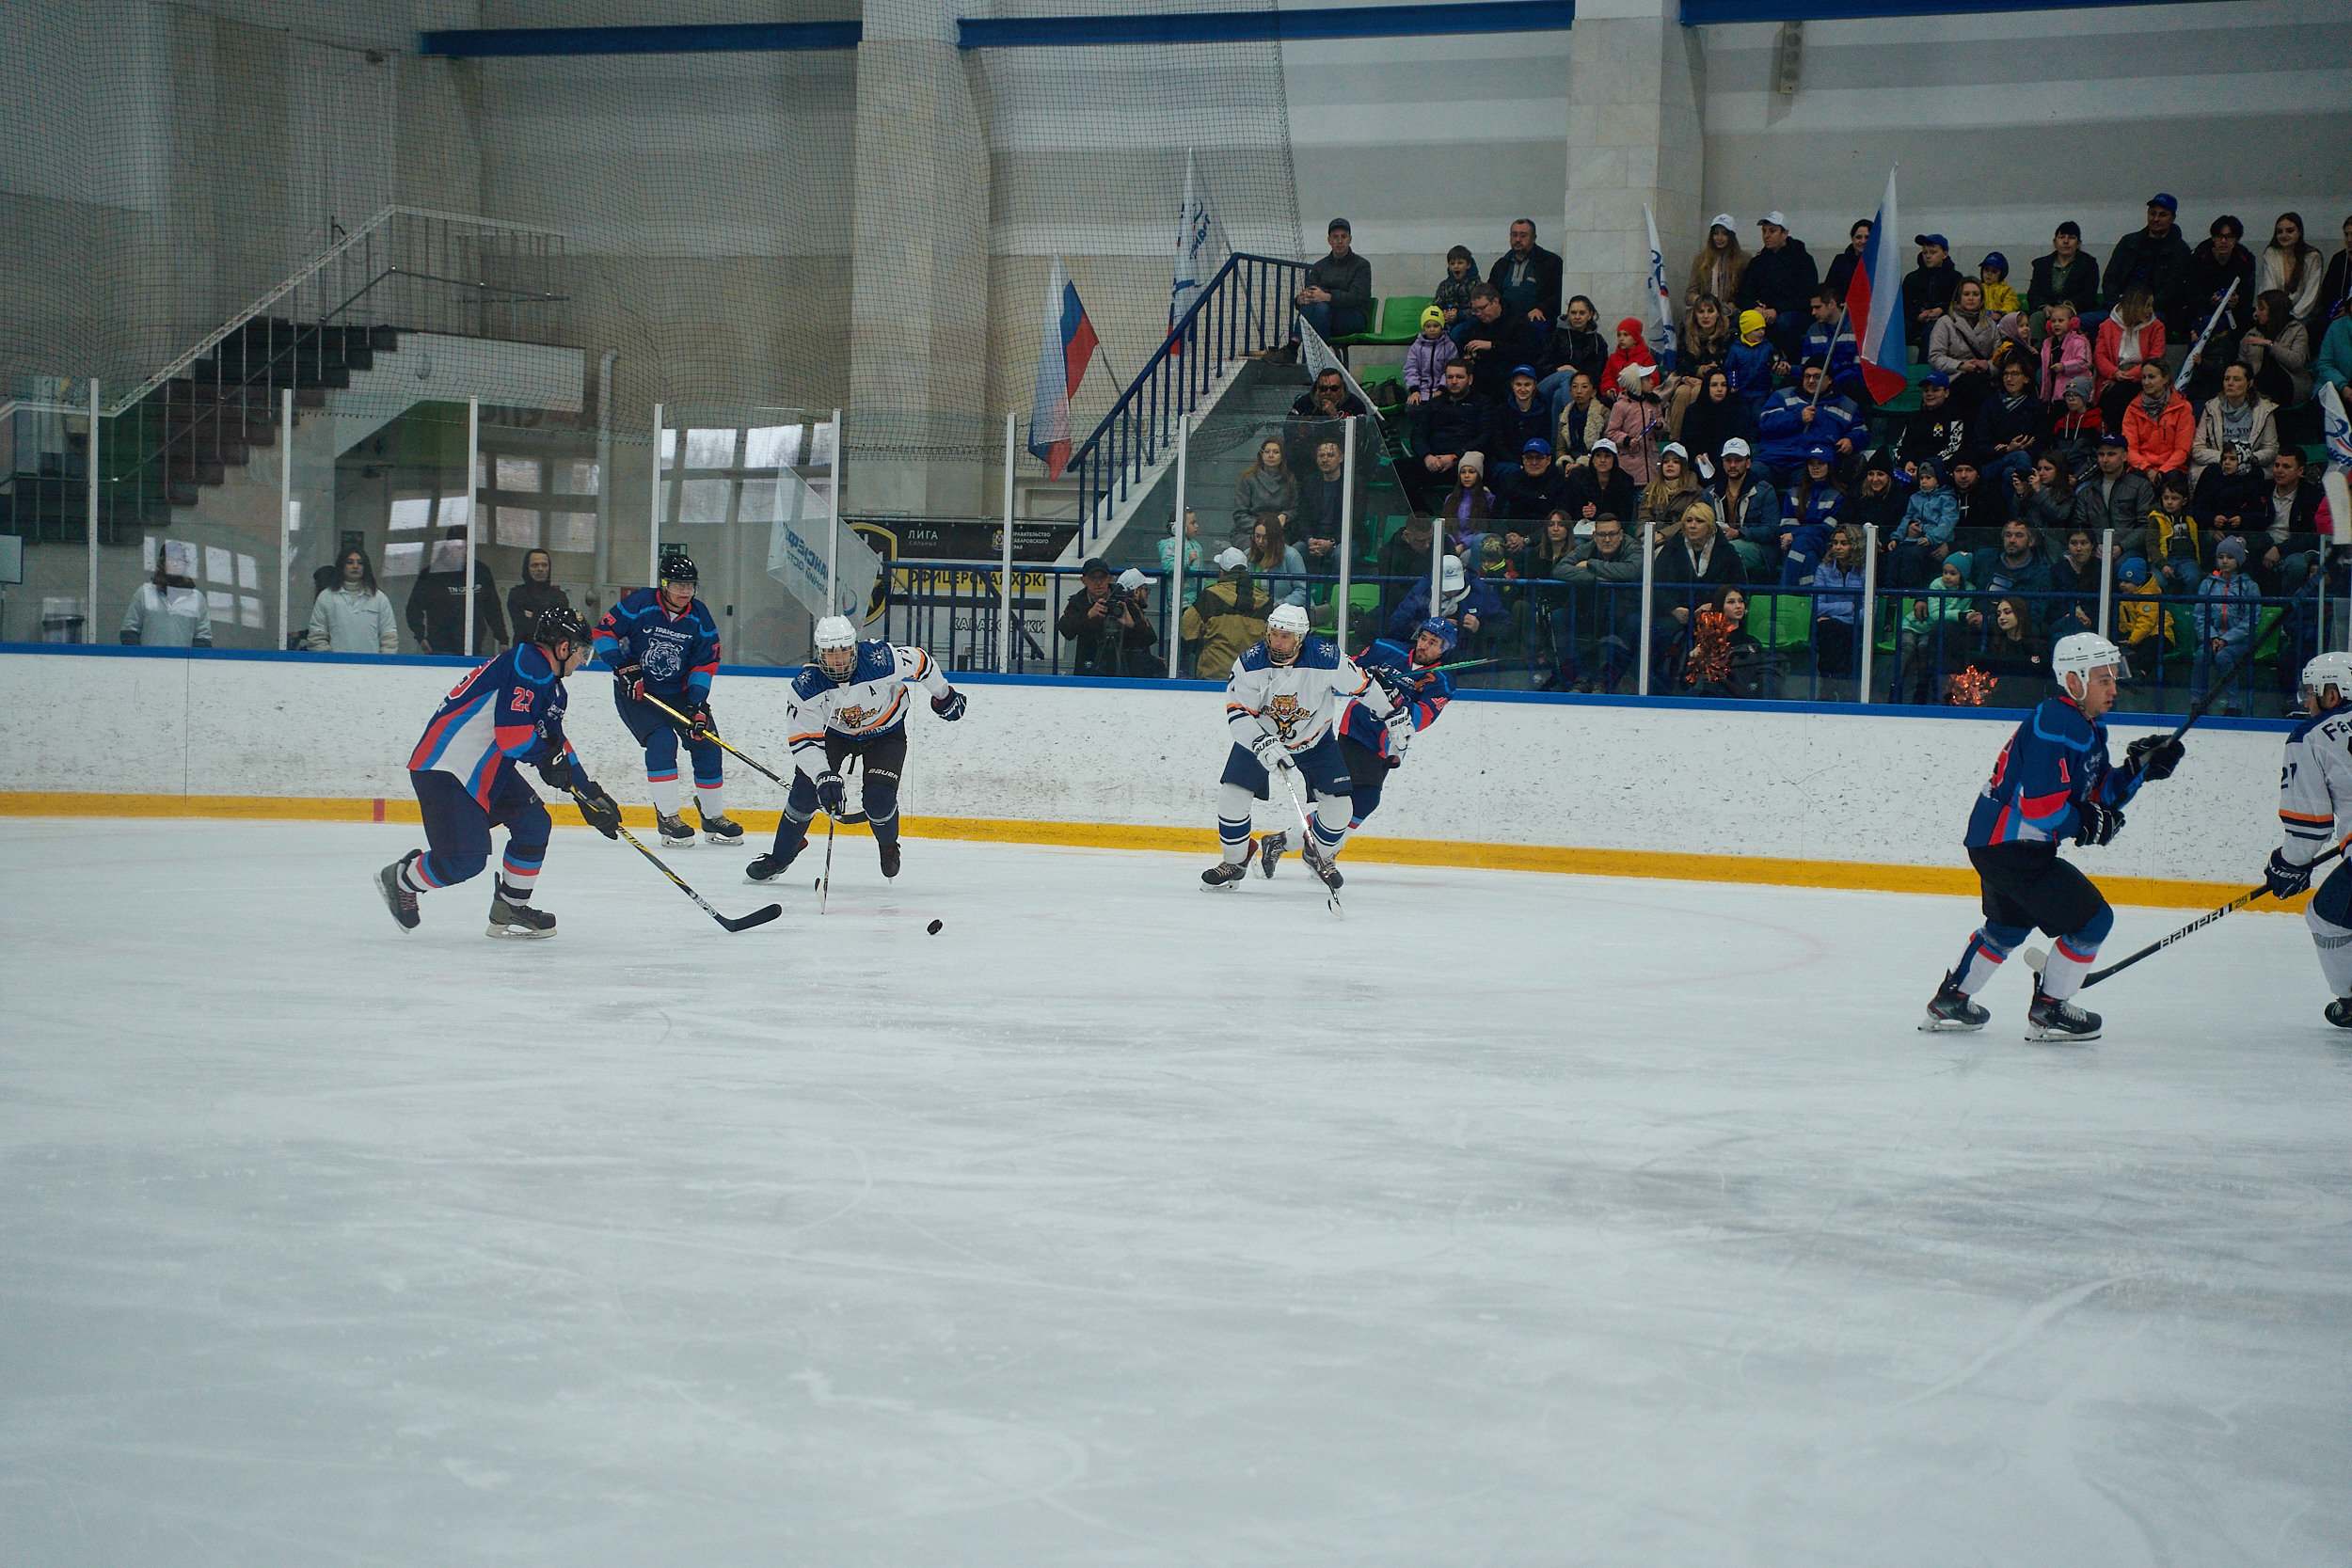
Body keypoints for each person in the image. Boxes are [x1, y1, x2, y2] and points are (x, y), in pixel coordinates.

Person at [1920, 632, 2182, 1039]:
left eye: (2115, 677)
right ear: (2074, 681)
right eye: (2104, 679)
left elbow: (2096, 797)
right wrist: (2086, 824)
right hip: (2013, 846)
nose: (2114, 687)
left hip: (1998, 844)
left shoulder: (2084, 726)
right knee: (2093, 922)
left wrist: (2140, 770)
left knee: (2007, 928)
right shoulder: (2059, 722)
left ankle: (1952, 998)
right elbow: (2042, 809)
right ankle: (2050, 1007)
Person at [376, 606, 621, 940]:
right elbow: (513, 736)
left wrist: (588, 792)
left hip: (486, 768)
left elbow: (555, 743)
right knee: (466, 860)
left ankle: (510, 906)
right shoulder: (528, 662)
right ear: (563, 647)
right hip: (446, 767)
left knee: (534, 822)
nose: (582, 660)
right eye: (581, 651)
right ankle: (402, 878)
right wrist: (548, 763)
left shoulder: (552, 688)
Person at [744, 614, 964, 885]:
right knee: (805, 792)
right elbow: (803, 741)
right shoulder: (806, 685)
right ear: (818, 653)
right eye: (829, 654)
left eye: (844, 652)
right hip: (836, 733)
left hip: (887, 731)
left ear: (855, 648)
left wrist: (944, 695)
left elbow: (922, 662)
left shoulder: (881, 660)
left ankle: (888, 845)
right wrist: (823, 774)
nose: (837, 660)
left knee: (879, 800)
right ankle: (781, 857)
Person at [1200, 602, 1393, 897]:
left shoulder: (1327, 659)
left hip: (1315, 741)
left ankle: (1317, 855)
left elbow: (1363, 687)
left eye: (1285, 636)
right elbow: (1237, 712)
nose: (1277, 641)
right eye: (1274, 633)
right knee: (1232, 798)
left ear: (1301, 637)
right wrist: (1260, 740)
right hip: (1261, 739)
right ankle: (1235, 862)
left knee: (1341, 809)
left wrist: (1390, 714)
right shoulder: (1251, 663)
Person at [1265, 618, 1455, 870]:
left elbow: (1421, 719)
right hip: (1358, 728)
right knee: (1363, 799)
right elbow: (1348, 670)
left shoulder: (1441, 681)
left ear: (1444, 649)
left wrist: (1396, 697)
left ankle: (1292, 842)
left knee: (1354, 803)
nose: (1424, 645)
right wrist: (1368, 678)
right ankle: (1319, 850)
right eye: (1423, 638)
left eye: (1433, 643)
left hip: (1387, 743)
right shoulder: (1386, 650)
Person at [593, 549, 739, 848]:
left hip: (680, 694)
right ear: (663, 584)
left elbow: (704, 663)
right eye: (677, 584)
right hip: (638, 692)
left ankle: (712, 817)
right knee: (661, 742)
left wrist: (698, 703)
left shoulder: (700, 617)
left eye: (689, 585)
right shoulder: (639, 604)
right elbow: (602, 632)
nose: (684, 591)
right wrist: (622, 666)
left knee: (707, 741)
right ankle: (669, 817)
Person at [2262, 653, 2352, 1027]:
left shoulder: (2310, 736)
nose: (2307, 703)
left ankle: (2349, 1001)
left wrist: (2289, 864)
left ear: (2333, 694)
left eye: (2312, 693)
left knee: (2326, 917)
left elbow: (2311, 825)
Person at [1541, 513, 1643, 692]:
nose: (1607, 539)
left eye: (1612, 534)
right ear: (1594, 535)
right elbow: (1560, 569)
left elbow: (1631, 571)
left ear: (1621, 534)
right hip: (1590, 611)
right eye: (1602, 535)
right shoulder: (1587, 547)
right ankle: (1578, 677)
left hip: (1622, 614)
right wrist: (1597, 577)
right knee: (1559, 616)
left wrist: (1590, 564)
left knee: (1635, 622)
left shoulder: (1633, 547)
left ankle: (1606, 679)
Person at [1652, 502, 1742, 675]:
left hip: (1714, 613)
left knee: (1713, 629)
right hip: (1678, 612)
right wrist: (1673, 609)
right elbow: (1656, 585)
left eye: (1699, 521)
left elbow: (1738, 586)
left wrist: (1715, 605)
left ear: (1710, 526)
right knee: (1661, 630)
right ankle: (1664, 680)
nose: (1692, 525)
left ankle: (1706, 683)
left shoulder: (1727, 551)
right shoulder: (1671, 549)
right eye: (1689, 520)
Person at [405, 527, 508, 656]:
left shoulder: (481, 572)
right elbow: (413, 608)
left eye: (467, 548)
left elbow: (493, 608)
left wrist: (502, 639)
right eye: (459, 548)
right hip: (440, 649)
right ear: (448, 547)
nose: (464, 552)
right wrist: (420, 637)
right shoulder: (433, 574)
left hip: (473, 648)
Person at [2177, 214, 2255, 382]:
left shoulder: (2246, 260)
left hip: (2233, 317)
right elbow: (2190, 295)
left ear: (2237, 239)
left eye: (2229, 236)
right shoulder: (2198, 257)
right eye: (2219, 236)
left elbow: (2248, 296)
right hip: (2202, 313)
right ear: (2213, 238)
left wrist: (2236, 302)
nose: (2223, 241)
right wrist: (2209, 301)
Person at [1757, 361, 1862, 481]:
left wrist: (1851, 439)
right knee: (1752, 477)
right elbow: (1765, 423)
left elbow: (1861, 430)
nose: (1811, 381)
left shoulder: (1847, 405)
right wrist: (1797, 418)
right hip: (1773, 458)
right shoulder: (1782, 396)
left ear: (1830, 380)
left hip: (1809, 463)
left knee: (1806, 487)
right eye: (1807, 376)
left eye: (1818, 376)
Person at [1057, 556, 1159, 675]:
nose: (1098, 582)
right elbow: (1066, 631)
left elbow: (1150, 638)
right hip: (1090, 662)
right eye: (1093, 578)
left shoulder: (1125, 600)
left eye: (1102, 577)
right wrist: (1088, 616)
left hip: (1124, 666)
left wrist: (1131, 624)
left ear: (1109, 579)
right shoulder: (1078, 602)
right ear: (1084, 580)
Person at [2192, 536, 2261, 716]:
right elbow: (2200, 615)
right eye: (2221, 557)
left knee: (2223, 657)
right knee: (2201, 654)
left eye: (2230, 557)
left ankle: (2234, 704)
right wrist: (2212, 637)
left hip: (2239, 643)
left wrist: (2225, 639)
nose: (2224, 561)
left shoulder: (2250, 586)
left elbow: (2251, 621)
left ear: (2239, 560)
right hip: (2212, 639)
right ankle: (2197, 702)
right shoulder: (2207, 584)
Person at [1181, 547, 1273, 680]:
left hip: (1214, 676)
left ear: (1221, 572)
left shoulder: (1210, 597)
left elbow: (1187, 630)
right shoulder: (1264, 601)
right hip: (1252, 678)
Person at [2247, 447, 2327, 598]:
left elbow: (2310, 536)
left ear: (2300, 471)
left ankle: (2285, 612)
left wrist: (2279, 549)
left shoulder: (2311, 495)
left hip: (2294, 549)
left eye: (2286, 466)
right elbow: (2250, 524)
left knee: (2296, 565)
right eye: (2276, 465)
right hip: (2263, 546)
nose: (2279, 470)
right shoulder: (2261, 489)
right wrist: (2268, 547)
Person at [1738, 211, 1819, 360]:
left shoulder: (1803, 260)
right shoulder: (1758, 262)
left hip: (1795, 313)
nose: (1766, 235)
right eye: (1764, 231)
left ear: (1784, 233)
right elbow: (1744, 293)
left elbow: (1807, 295)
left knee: (1784, 322)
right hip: (1764, 313)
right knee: (1740, 320)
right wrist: (1755, 307)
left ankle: (1795, 364)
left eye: (1772, 231)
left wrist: (1778, 309)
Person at [2103, 195, 2192, 327]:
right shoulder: (2128, 242)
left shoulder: (2180, 250)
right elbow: (2110, 278)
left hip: (2156, 311)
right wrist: (2116, 306)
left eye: (2162, 215)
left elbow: (2172, 290)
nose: (2156, 219)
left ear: (2172, 218)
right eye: (2152, 213)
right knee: (2084, 323)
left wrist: (2144, 309)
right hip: (2120, 307)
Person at [1407, 358, 1486, 508]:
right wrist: (1427, 456)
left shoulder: (1482, 403)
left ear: (1470, 379)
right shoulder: (1434, 404)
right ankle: (1422, 517)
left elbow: (1484, 437)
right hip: (1433, 462)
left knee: (1480, 468)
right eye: (1450, 377)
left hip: (1462, 463)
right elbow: (1418, 433)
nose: (1454, 381)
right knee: (1399, 468)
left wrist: (1455, 456)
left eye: (1459, 377)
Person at [1385, 551, 1502, 651]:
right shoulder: (1422, 591)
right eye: (1446, 587)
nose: (1452, 592)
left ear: (1464, 573)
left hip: (1465, 661)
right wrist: (1429, 627)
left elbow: (1508, 630)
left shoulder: (1481, 593)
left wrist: (1481, 627)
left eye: (1455, 585)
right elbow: (1396, 624)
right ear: (1435, 577)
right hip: (1424, 656)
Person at [2189, 361, 2278, 485]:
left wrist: (2247, 459)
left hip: (2250, 467)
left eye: (2237, 379)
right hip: (2219, 467)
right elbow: (2197, 448)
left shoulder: (2264, 409)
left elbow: (2271, 449)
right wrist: (2227, 459)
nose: (2230, 383)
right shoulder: (2211, 408)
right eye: (2227, 379)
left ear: (2250, 383)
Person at [1290, 218, 1372, 353]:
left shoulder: (1361, 265)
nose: (1340, 241)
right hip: (1323, 316)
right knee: (1320, 307)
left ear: (1350, 239)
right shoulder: (1319, 266)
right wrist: (1299, 300)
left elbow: (1357, 298)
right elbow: (1311, 297)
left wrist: (1327, 297)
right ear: (1329, 240)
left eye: (1343, 237)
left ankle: (1294, 345)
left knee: (1321, 306)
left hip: (1352, 318)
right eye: (1335, 237)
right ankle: (1326, 352)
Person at [2093, 286, 2166, 436]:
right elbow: (2099, 356)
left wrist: (2126, 375)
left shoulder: (2157, 327)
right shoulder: (2107, 326)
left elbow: (2155, 358)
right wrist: (2115, 373)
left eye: (2151, 305)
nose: (2151, 311)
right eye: (2147, 306)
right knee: (2110, 398)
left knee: (2120, 393)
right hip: (2113, 376)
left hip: (2143, 377)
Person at [1899, 557, 1973, 704]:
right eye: (1945, 572)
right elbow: (1934, 615)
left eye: (1953, 573)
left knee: (1924, 649)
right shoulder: (1936, 585)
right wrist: (1961, 615)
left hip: (1929, 632)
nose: (1947, 577)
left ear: (1962, 576)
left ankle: (1921, 691)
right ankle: (1895, 687)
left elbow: (1964, 613)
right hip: (1912, 626)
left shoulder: (1971, 590)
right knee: (1907, 649)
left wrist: (1968, 614)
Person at [1927, 279, 2005, 413]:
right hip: (1955, 378)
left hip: (1984, 378)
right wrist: (1961, 366)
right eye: (1966, 294)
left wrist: (1988, 366)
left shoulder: (1991, 325)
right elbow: (1935, 357)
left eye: (1975, 294)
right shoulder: (1945, 322)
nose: (1971, 298)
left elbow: (1999, 357)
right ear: (1958, 298)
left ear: (1981, 298)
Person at [304, 546, 400, 654]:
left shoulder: (379, 598)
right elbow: (317, 635)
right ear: (342, 566)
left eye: (360, 563)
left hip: (372, 667)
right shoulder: (326, 596)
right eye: (350, 562)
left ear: (365, 567)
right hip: (335, 667)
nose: (355, 566)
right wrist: (328, 660)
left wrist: (384, 662)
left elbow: (389, 635)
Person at [1970, 358, 2045, 496]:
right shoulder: (1990, 405)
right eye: (2006, 374)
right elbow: (1979, 445)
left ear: (2027, 378)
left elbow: (2041, 443)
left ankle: (2015, 512)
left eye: (2015, 374)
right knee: (2020, 456)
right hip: (1992, 464)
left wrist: (2025, 449)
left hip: (2026, 462)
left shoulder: (2036, 407)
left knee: (2011, 471)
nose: (2009, 378)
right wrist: (2007, 450)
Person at [1709, 436, 1781, 580]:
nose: (1733, 465)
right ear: (1723, 463)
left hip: (1758, 547)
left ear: (1748, 463)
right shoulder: (1710, 493)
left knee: (1729, 552)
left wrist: (1738, 533)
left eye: (1738, 460)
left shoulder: (1765, 490)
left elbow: (1772, 530)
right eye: (1728, 461)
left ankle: (1739, 598)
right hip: (1719, 543)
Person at [1967, 518, 2054, 637]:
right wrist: (1969, 614)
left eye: (2019, 535)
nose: (2012, 540)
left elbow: (2036, 612)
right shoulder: (1986, 558)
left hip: (2010, 625)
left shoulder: (2040, 572)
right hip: (1976, 618)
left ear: (2031, 541)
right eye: (2008, 535)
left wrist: (1991, 620)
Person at [1456, 284, 1544, 401]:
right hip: (1484, 377)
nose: (1478, 314)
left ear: (1495, 302)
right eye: (1475, 310)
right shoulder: (1475, 327)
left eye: (1482, 308)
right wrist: (1469, 359)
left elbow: (1525, 352)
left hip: (1510, 375)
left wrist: (1492, 346)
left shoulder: (1518, 321)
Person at [1686, 584, 1772, 698]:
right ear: (1720, 606)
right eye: (1731, 602)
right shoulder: (1711, 640)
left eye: (1740, 601)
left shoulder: (1751, 640)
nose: (1738, 606)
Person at [2077, 433, 2153, 561]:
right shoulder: (2087, 491)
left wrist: (2122, 547)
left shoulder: (2141, 486)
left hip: (2129, 550)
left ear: (2124, 457)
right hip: (2095, 550)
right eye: (2101, 454)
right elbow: (2080, 524)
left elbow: (2146, 526)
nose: (2105, 459)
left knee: (2121, 567)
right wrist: (2094, 546)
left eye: (2111, 454)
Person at [120, 543, 212, 648]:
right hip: (148, 662)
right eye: (171, 559)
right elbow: (129, 631)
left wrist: (195, 662)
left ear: (185, 564)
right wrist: (139, 659)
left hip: (184, 663)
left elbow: (203, 637)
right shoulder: (145, 592)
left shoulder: (196, 597)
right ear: (162, 563)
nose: (175, 564)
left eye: (179, 560)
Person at [1809, 525, 1867, 686]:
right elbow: (1816, 606)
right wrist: (1849, 607)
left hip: (1852, 626)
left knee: (1832, 627)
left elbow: (1868, 612)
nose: (1838, 547)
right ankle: (1838, 682)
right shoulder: (1823, 569)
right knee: (1830, 629)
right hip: (1831, 627)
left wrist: (1833, 616)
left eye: (1844, 543)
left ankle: (1829, 682)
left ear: (1854, 545)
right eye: (1835, 543)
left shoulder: (1866, 570)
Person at [1777, 446, 1844, 587]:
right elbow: (1786, 525)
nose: (1815, 468)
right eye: (1811, 464)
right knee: (1809, 557)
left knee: (1802, 541)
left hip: (1826, 546)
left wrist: (1795, 534)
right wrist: (1795, 535)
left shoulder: (1837, 495)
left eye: (1821, 463)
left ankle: (1784, 591)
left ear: (1830, 466)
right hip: (1798, 546)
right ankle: (1808, 596)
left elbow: (1827, 529)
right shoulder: (1794, 492)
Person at [2238, 288, 2313, 409]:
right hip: (2257, 389)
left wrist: (2269, 344)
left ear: (2275, 311)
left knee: (2271, 376)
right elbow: (2241, 366)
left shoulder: (2297, 330)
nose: (2256, 314)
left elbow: (2296, 362)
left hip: (2289, 387)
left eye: (2261, 309)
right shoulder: (2251, 335)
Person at [1534, 295, 1609, 414]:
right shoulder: (1556, 336)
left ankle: (1564, 431)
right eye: (1573, 313)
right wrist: (1560, 369)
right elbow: (1540, 365)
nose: (1577, 317)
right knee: (1567, 375)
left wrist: (1579, 378)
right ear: (1568, 314)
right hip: (1549, 384)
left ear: (1590, 315)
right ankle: (1574, 418)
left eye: (1582, 313)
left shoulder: (1598, 341)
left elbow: (1600, 371)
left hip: (1580, 389)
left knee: (1559, 396)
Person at [1890, 456, 1956, 587]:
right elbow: (1907, 518)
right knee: (1895, 554)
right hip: (1913, 539)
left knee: (1912, 555)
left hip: (1934, 540)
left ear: (1938, 479)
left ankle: (1910, 592)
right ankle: (1889, 591)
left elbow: (1947, 522)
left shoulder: (1947, 498)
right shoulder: (1915, 497)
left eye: (1928, 478)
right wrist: (1897, 538)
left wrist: (1931, 537)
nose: (1923, 482)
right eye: (1921, 478)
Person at [1677, 366, 1757, 472]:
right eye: (1714, 385)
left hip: (1731, 466)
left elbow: (1742, 443)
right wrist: (1697, 458)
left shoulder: (1738, 410)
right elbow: (1687, 444)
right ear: (1706, 387)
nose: (1719, 389)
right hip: (1700, 467)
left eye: (1723, 385)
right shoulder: (1693, 411)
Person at [2121, 360, 2193, 479]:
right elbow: (2130, 448)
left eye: (2151, 377)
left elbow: (2182, 449)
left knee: (2173, 479)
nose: (2146, 382)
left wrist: (2163, 471)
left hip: (2172, 468)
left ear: (2165, 379)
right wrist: (2147, 470)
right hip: (2141, 468)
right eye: (2144, 377)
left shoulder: (2183, 407)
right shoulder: (2133, 408)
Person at [1486, 218, 1563, 326]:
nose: (1517, 239)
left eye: (1523, 235)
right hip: (1504, 316)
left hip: (1535, 317)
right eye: (1514, 235)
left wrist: (1541, 309)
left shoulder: (1550, 262)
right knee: (1465, 329)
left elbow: (1558, 293)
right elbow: (1491, 292)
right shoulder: (1501, 264)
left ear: (1533, 238)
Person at [1979, 595, 2049, 704]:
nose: (2001, 617)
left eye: (2007, 612)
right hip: (1999, 708)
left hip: (2032, 707)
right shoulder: (1993, 648)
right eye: (1999, 614)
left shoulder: (2040, 647)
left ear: (2021, 614)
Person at [2258, 213, 2326, 325]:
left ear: (2300, 232)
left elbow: (2311, 294)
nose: (2284, 235)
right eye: (2279, 232)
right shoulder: (2271, 253)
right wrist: (2274, 313)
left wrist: (2292, 316)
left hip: (2304, 314)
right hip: (2275, 313)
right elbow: (2269, 288)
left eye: (2290, 231)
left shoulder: (2312, 256)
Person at [1801, 287, 1865, 405]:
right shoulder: (1813, 330)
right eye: (1813, 308)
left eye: (1817, 307)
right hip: (1817, 381)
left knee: (1854, 387)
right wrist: (1788, 371)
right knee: (1789, 383)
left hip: (1846, 383)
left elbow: (1859, 369)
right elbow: (1806, 366)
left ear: (1831, 304)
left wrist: (1830, 381)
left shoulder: (1857, 328)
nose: (1813, 313)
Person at [2026, 222, 2102, 320]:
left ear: (2079, 243)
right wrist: (2045, 307)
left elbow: (2088, 295)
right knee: (2037, 317)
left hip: (2077, 312)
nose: (2066, 241)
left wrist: (2066, 309)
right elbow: (2034, 293)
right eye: (2061, 237)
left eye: (2071, 238)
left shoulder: (2089, 264)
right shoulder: (2041, 265)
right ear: (2054, 242)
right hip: (2048, 312)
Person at [1901, 233, 1963, 351]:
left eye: (1933, 252)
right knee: (1897, 329)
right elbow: (1904, 304)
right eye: (1925, 252)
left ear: (1944, 254)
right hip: (1916, 321)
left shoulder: (1955, 278)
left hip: (1944, 321)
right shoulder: (1912, 278)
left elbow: (1959, 304)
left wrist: (1942, 310)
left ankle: (1925, 367)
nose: (1928, 256)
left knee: (1934, 332)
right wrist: (1917, 315)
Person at [2147, 469, 2203, 598]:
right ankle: (2165, 610)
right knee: (2158, 581)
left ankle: (2186, 609)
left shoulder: (2191, 519)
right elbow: (2151, 545)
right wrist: (2162, 565)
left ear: (2184, 501)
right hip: (2163, 560)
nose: (2169, 502)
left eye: (2174, 498)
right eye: (2166, 498)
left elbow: (2198, 542)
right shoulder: (2156, 518)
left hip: (2186, 560)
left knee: (2193, 577)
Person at [1483, 367, 1552, 469]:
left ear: (1534, 385)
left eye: (1527, 385)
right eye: (1518, 384)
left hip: (1535, 459)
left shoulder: (1544, 410)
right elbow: (1498, 445)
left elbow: (1545, 440)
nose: (1522, 389)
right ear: (1512, 385)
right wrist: (1518, 463)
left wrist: (1529, 461)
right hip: (1507, 461)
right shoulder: (1501, 410)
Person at [1232, 437, 1296, 547]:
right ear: (1261, 456)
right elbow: (1239, 514)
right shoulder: (1248, 479)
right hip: (1249, 533)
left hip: (1279, 534)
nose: (1270, 455)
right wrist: (1262, 528)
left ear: (1282, 457)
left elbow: (1294, 509)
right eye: (1267, 452)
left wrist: (1285, 516)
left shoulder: (1289, 480)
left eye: (1275, 452)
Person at [2013, 452, 2079, 556]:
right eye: (2039, 469)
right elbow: (2014, 518)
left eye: (2047, 469)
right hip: (2029, 547)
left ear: (2058, 470)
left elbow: (2058, 516)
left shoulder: (2067, 493)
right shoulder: (2030, 491)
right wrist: (2020, 494)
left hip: (2053, 548)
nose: (2042, 473)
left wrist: (2039, 491)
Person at [2047, 527, 2107, 636]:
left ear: (2092, 545)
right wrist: (2066, 615)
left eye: (2084, 543)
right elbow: (2051, 605)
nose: (2078, 548)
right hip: (2062, 623)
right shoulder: (2057, 570)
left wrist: (2090, 620)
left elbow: (2105, 605)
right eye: (2074, 543)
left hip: (2092, 627)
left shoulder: (2103, 570)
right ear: (2068, 546)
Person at [1562, 438, 1638, 523]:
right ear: (1593, 460)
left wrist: (1597, 514)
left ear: (1614, 460)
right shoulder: (1578, 477)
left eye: (1607, 456)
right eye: (1598, 455)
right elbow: (1568, 509)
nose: (1602, 460)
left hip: (1613, 530)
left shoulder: (1625, 481)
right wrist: (1584, 512)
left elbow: (1625, 517)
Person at [2034, 299, 2094, 405]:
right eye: (2053, 321)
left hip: (2073, 392)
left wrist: (2064, 366)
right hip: (2052, 393)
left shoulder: (2079, 341)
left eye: (2060, 321)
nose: (2056, 324)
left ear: (2072, 323)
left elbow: (2084, 362)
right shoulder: (2048, 343)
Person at [1686, 214, 1749, 311]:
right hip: (1704, 309)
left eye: (1724, 234)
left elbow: (1745, 292)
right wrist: (1701, 301)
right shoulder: (1700, 259)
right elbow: (1690, 292)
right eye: (1715, 233)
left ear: (1731, 236)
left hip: (1731, 310)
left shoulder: (1743, 259)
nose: (1719, 238)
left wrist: (1733, 305)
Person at [506, 548, 569, 642]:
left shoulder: (560, 596)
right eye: (535, 565)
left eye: (544, 565)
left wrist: (533, 615)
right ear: (527, 568)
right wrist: (546, 616)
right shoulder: (517, 593)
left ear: (549, 568)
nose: (540, 569)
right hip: (524, 649)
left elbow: (559, 630)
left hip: (551, 652)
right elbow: (522, 629)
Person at [1495, 439, 1567, 520]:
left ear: (1548, 460)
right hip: (1513, 531)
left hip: (1546, 532)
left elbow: (1563, 518)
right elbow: (1498, 517)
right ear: (1523, 459)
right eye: (1529, 458)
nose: (1534, 463)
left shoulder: (1560, 483)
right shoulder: (1510, 481)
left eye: (1539, 458)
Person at [1248, 517, 1307, 609]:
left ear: (1275, 538)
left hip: (1287, 611)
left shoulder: (1292, 556)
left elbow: (1302, 591)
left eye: (1265, 538)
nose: (1260, 541)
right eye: (1257, 536)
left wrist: (1279, 604)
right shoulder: (1249, 555)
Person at [1725, 309, 1776, 416]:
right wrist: (1733, 383)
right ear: (1747, 330)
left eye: (1763, 328)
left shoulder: (1768, 347)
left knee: (1757, 415)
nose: (1761, 332)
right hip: (1741, 393)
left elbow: (1776, 362)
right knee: (1743, 417)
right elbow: (1730, 369)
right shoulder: (1735, 349)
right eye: (1757, 329)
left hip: (1761, 393)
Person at [1403, 306, 1456, 404]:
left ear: (1442, 326)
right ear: (1423, 327)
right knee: (1413, 410)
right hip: (1420, 392)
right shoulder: (1416, 347)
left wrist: (1442, 389)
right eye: (1428, 326)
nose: (1432, 329)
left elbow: (1451, 370)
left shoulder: (1450, 347)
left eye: (1436, 326)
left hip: (1443, 392)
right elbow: (1410, 369)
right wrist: (1414, 391)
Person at [1552, 370, 1606, 467]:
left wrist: (1583, 463)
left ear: (1593, 392)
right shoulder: (1564, 416)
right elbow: (1561, 448)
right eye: (1574, 387)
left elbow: (1605, 446)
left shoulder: (1603, 414)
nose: (1579, 391)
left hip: (1595, 461)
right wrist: (1566, 463)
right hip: (1571, 460)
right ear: (1570, 392)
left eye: (1584, 387)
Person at [1436, 451, 1495, 532]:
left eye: (1471, 472)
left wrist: (1464, 543)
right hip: (1452, 543)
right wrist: (1451, 542)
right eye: (1463, 472)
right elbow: (1446, 529)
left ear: (1478, 475)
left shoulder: (1489, 498)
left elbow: (1487, 529)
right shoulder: (1450, 498)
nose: (1466, 476)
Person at [1823, 217, 1872, 304]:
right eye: (1858, 237)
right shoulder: (1840, 261)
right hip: (1843, 309)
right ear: (1852, 239)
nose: (1863, 241)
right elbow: (1828, 289)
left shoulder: (1881, 264)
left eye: (1867, 237)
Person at [1432, 244, 1480, 328]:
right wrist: (1442, 314)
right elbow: (1436, 306)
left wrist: (1459, 314)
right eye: (1452, 264)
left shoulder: (1476, 285)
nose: (1456, 266)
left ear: (1468, 265)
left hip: (1470, 324)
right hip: (1447, 324)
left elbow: (1479, 309)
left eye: (1460, 263)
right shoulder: (1444, 285)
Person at [1681, 293, 1733, 368]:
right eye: (1701, 312)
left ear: (1718, 313)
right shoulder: (1686, 333)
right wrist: (1698, 370)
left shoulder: (1728, 336)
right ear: (1695, 314)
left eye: (1710, 311)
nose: (1705, 316)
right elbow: (1681, 364)